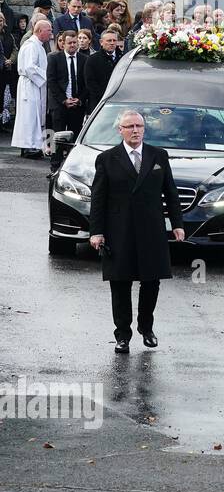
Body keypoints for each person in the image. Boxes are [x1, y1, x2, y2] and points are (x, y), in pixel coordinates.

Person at [88, 109, 186, 354]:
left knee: (151, 281)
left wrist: (177, 224)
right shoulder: (107, 159)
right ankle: (122, 335)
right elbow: (98, 199)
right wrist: (96, 231)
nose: (135, 130)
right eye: (130, 126)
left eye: (139, 126)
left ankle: (146, 327)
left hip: (151, 230)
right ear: (119, 130)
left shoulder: (158, 156)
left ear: (145, 129)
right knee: (120, 284)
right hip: (119, 232)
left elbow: (171, 193)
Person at [12, 18, 52, 159]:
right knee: (29, 116)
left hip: (35, 84)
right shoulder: (31, 45)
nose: (51, 34)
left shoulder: (38, 45)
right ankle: (28, 147)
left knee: (34, 116)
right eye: (49, 30)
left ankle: (33, 145)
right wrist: (47, 77)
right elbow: (30, 67)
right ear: (40, 31)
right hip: (30, 85)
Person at [82, 28, 123, 112]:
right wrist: (105, 96)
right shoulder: (92, 59)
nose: (112, 43)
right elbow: (90, 82)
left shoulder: (123, 58)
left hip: (119, 101)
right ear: (101, 42)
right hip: (99, 102)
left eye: (114, 40)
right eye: (109, 40)